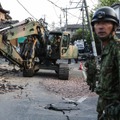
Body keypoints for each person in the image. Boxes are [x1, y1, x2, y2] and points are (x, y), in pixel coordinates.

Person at [91, 6, 120, 120]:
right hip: (105, 111)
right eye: (97, 23)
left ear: (115, 27)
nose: (101, 27)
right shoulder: (106, 48)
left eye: (106, 22)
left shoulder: (117, 48)